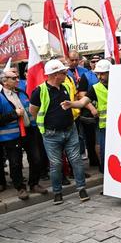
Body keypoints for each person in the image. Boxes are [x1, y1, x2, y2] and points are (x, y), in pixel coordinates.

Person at [29, 59, 90, 205]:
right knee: (55, 164)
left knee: (76, 161)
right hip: (51, 134)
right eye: (63, 72)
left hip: (70, 130)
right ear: (55, 75)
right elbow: (33, 111)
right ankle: (57, 192)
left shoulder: (66, 86)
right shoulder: (39, 91)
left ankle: (81, 188)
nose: (66, 74)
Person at [2, 68, 46, 199]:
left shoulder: (22, 93)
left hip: (30, 131)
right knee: (15, 163)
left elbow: (30, 110)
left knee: (36, 159)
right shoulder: (0, 97)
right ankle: (20, 188)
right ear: (5, 81)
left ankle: (34, 184)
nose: (17, 80)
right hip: (12, 135)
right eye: (14, 78)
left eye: (17, 77)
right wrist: (14, 114)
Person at [86, 59, 110, 173]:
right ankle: (108, 180)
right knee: (105, 153)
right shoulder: (95, 88)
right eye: (98, 74)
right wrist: (72, 104)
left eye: (102, 73)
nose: (100, 76)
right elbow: (83, 101)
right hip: (104, 126)